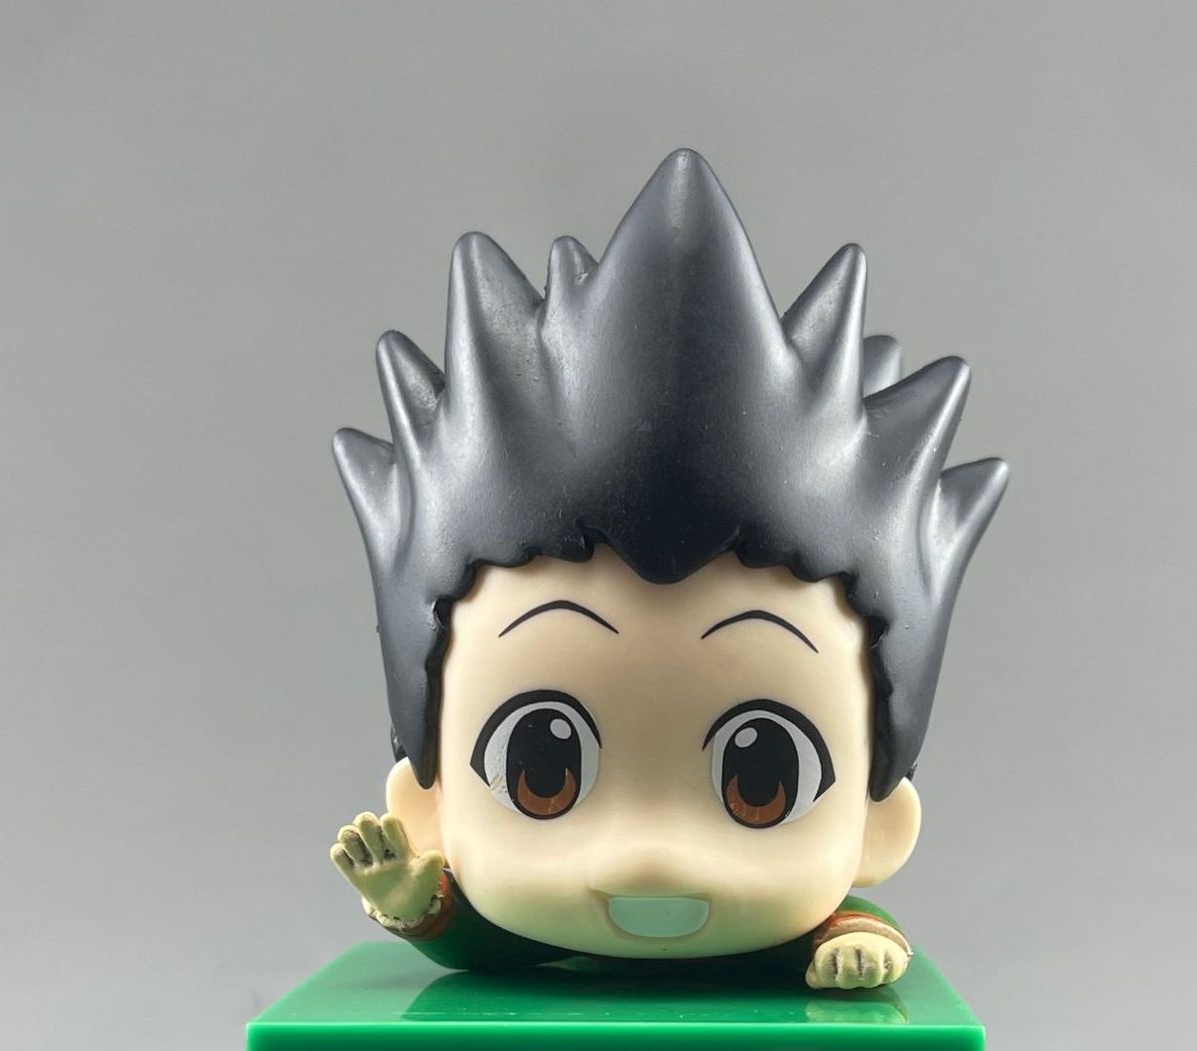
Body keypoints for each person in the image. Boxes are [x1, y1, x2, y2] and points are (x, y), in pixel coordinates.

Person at [328, 151, 1005, 990]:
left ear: (880, 821)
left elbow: (857, 926)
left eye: (763, 778)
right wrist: (412, 899)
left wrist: (862, 945)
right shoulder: (507, 930)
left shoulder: (801, 927)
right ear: (426, 803)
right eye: (543, 771)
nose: (650, 855)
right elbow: (482, 948)